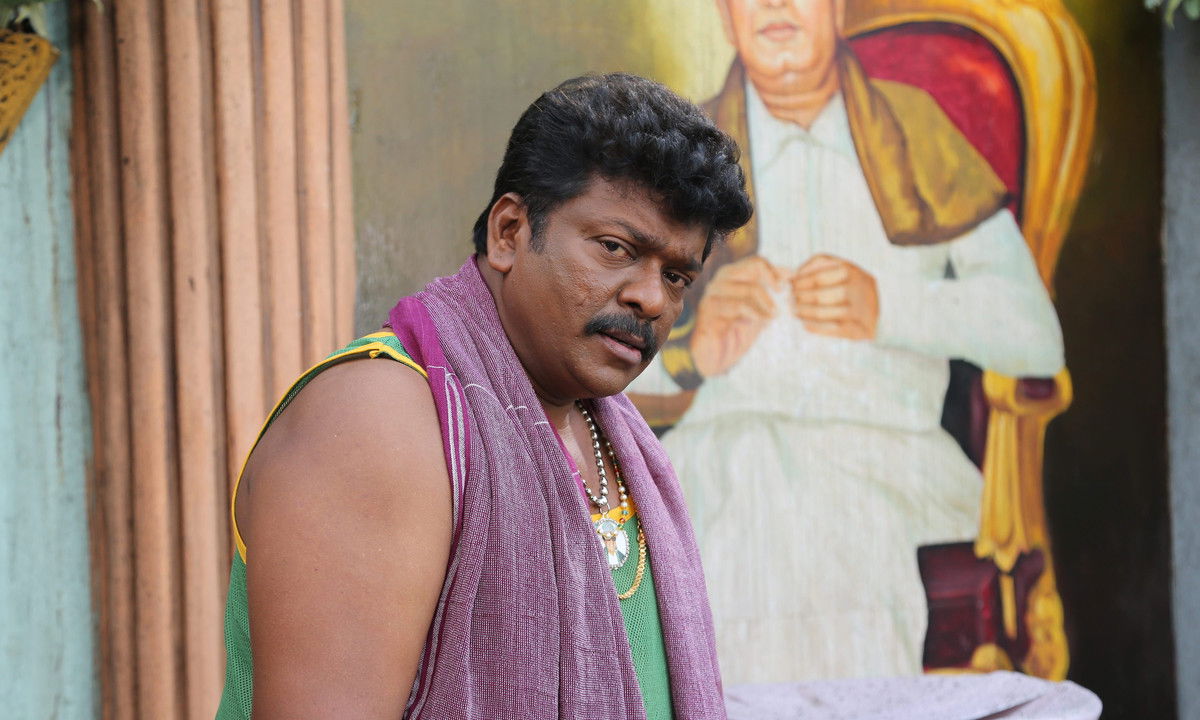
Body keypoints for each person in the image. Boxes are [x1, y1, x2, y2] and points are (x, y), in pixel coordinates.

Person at [216, 73, 752, 719]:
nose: (651, 299)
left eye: (676, 276)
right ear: (509, 231)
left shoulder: (616, 438)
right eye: (615, 248)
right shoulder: (378, 421)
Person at [628, 0, 1065, 682]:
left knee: (815, 524)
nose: (775, 4)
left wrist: (889, 307)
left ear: (837, 7)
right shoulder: (675, 157)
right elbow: (589, 364)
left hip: (892, 459)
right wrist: (691, 351)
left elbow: (1035, 334)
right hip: (720, 455)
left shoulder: (915, 126)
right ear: (725, 15)